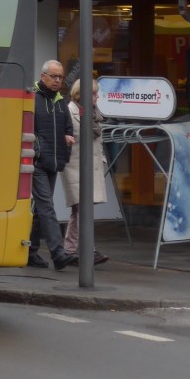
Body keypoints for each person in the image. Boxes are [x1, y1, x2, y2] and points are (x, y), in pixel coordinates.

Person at [28, 59, 77, 270]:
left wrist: (68, 138)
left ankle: (30, 252)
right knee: (47, 206)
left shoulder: (60, 101)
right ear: (43, 76)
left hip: (53, 161)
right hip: (37, 161)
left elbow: (68, 128)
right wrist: (36, 149)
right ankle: (58, 253)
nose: (58, 81)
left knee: (40, 209)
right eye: (54, 76)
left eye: (60, 77)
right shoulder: (32, 98)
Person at [63, 78, 109, 266]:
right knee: (83, 209)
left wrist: (103, 160)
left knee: (79, 210)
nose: (98, 96)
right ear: (83, 94)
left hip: (91, 166)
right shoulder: (70, 111)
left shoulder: (94, 114)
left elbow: (97, 141)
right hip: (75, 167)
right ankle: (88, 250)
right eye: (94, 93)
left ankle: (69, 250)